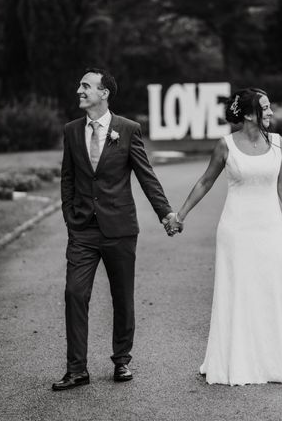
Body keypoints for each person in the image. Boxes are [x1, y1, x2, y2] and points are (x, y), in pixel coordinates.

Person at [166, 88, 282, 386]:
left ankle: (274, 362)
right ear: (249, 114)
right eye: (266, 107)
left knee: (271, 290)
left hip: (270, 229)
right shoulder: (225, 146)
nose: (271, 112)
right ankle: (236, 360)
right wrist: (180, 215)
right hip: (236, 231)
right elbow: (205, 181)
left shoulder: (277, 143)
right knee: (239, 292)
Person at [53, 67, 177, 391]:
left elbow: (146, 175)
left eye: (86, 86)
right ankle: (76, 369)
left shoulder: (128, 129)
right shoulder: (71, 131)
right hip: (82, 230)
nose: (79, 91)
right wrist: (70, 216)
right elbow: (68, 178)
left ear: (104, 92)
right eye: (80, 85)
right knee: (74, 293)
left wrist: (165, 213)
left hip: (120, 228)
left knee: (122, 297)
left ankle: (121, 359)